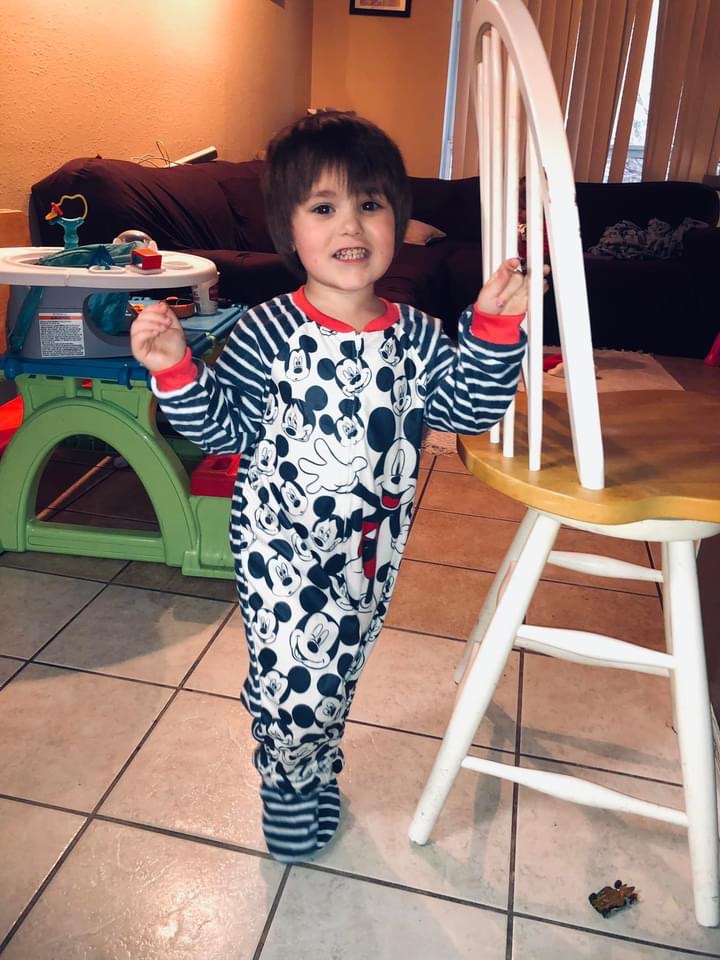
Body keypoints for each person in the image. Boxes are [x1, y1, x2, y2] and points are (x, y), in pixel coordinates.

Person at [130, 110, 529, 863]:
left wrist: (492, 331)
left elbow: (467, 410)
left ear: (398, 220)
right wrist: (175, 369)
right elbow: (221, 429)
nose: (350, 224)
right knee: (295, 688)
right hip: (279, 553)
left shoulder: (416, 335)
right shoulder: (266, 332)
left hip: (370, 557)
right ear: (289, 228)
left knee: (336, 673)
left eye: (369, 204)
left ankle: (313, 765)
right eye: (323, 207)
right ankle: (287, 785)